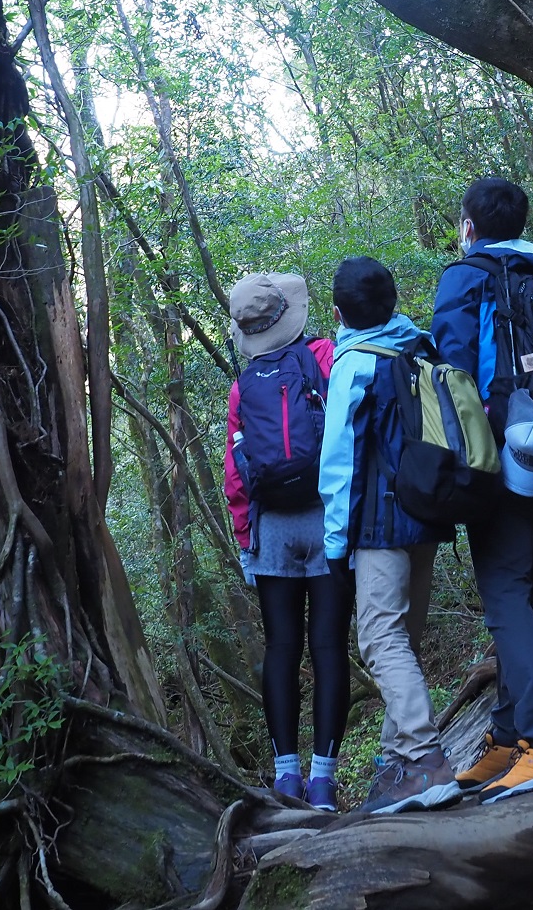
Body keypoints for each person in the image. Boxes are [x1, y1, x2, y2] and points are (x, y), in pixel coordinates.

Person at [433, 177, 533, 801]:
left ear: (469, 226)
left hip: (497, 458)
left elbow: (453, 375)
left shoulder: (466, 279)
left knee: (504, 597)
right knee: (517, 594)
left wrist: (456, 469)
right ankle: (507, 734)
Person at [319, 256, 463, 814]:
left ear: (338, 314)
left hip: (379, 524)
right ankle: (396, 765)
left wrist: (336, 544)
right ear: (394, 300)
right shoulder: (420, 346)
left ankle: (425, 758)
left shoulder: (353, 363)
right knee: (405, 638)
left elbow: (339, 462)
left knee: (381, 640)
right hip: (426, 511)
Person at [223, 272, 347, 811]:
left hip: (271, 527)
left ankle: (286, 779)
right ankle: (324, 782)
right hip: (327, 520)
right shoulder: (323, 357)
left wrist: (245, 539)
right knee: (328, 647)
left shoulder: (242, 386)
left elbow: (236, 473)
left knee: (280, 648)